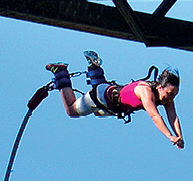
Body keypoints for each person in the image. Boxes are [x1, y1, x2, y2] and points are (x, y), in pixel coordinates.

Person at [46, 51, 184, 149]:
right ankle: (60, 71)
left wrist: (179, 137)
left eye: (174, 95)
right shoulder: (145, 91)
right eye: (170, 93)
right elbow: (155, 116)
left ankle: (94, 66)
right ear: (160, 87)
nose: (171, 98)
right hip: (105, 97)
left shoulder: (166, 98)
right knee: (71, 110)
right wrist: (170, 136)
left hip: (112, 100)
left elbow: (173, 117)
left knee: (98, 111)